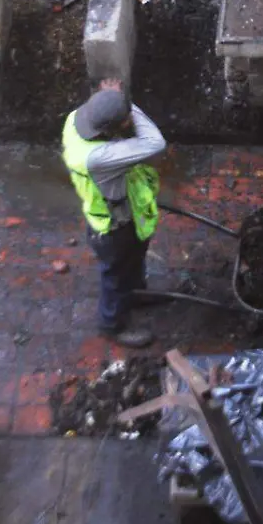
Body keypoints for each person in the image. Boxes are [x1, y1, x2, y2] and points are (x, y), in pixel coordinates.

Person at [61, 80, 167, 348]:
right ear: (112, 129)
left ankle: (136, 292)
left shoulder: (75, 120)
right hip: (113, 228)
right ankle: (112, 324)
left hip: (125, 215)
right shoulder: (98, 157)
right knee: (116, 276)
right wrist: (128, 106)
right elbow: (155, 143)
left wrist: (112, 100)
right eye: (125, 120)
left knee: (134, 260)